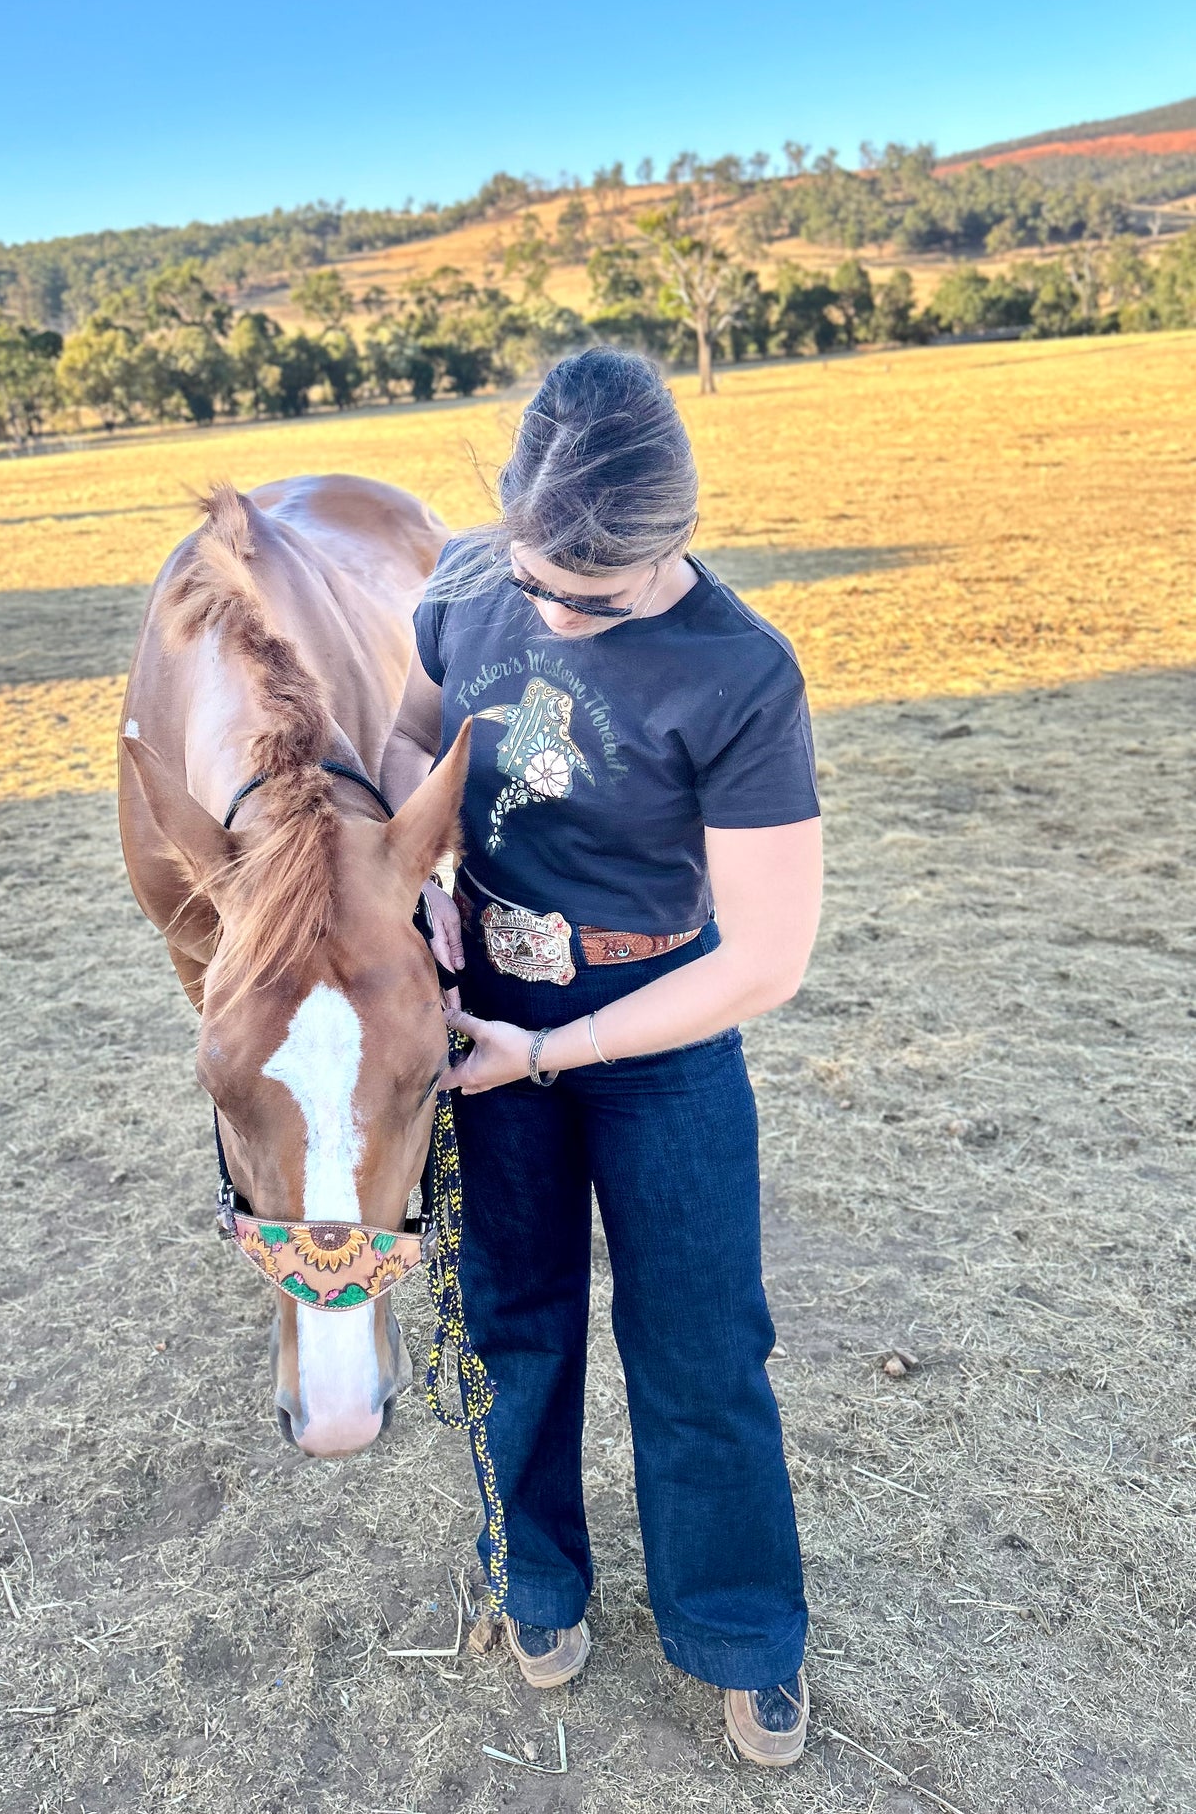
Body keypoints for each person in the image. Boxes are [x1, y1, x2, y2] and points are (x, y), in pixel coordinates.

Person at [380, 348, 823, 1769]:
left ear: (675, 538)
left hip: (658, 1038)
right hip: (483, 1018)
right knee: (515, 1321)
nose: (559, 613)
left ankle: (742, 1630)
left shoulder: (740, 674)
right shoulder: (457, 587)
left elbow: (763, 960)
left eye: (601, 598)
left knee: (699, 1346)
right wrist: (419, 866)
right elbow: (409, 739)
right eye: (539, 582)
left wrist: (550, 1050)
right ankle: (535, 1580)